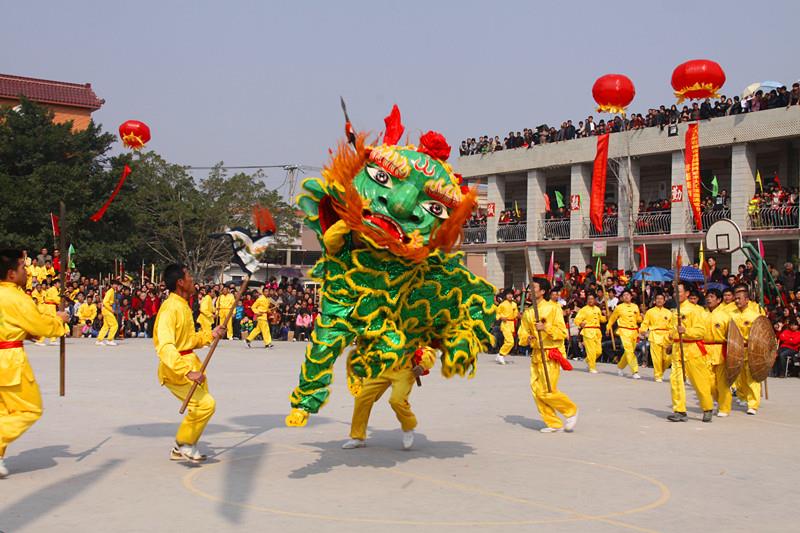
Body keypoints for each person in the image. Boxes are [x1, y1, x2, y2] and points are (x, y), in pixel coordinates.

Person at [0, 249, 70, 478]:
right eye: (22, 268)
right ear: (11, 274)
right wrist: (59, 323)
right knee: (30, 409)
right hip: (8, 362)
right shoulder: (15, 297)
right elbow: (39, 324)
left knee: (3, 411)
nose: (26, 272)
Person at [153, 264, 225, 463]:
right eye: (189, 277)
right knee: (205, 404)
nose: (193, 280)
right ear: (180, 283)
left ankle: (180, 448)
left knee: (199, 406)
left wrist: (211, 335)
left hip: (190, 363)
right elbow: (166, 346)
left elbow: (189, 339)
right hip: (175, 369)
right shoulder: (170, 308)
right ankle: (184, 443)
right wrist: (186, 372)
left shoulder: (183, 305)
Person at [341, 345, 435, 450]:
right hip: (381, 368)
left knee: (397, 400)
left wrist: (423, 365)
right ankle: (357, 437)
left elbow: (428, 349)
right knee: (362, 397)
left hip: (403, 370)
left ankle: (408, 427)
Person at [517, 277, 578, 433]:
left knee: (547, 390)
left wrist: (545, 328)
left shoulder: (553, 308)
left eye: (534, 287)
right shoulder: (528, 312)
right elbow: (522, 333)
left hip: (550, 353)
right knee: (536, 390)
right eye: (530, 287)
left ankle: (570, 411)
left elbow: (562, 332)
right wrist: (528, 338)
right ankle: (553, 423)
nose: (531, 290)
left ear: (543, 291)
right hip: (536, 354)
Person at [667, 282, 714, 423]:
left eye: (679, 291)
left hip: (692, 349)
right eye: (675, 291)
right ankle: (680, 410)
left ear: (687, 294)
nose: (676, 294)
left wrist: (686, 331)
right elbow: (671, 330)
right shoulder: (675, 311)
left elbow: (701, 331)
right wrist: (670, 341)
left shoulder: (696, 310)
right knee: (675, 381)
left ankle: (707, 408)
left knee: (699, 381)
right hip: (677, 350)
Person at [729, 284, 766, 415]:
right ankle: (742, 396)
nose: (737, 301)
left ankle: (753, 403)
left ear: (746, 299)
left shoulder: (754, 315)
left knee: (752, 378)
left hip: (751, 350)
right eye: (736, 298)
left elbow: (762, 334)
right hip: (735, 350)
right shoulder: (731, 315)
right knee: (739, 376)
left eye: (739, 298)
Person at [704, 289, 732, 416]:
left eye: (712, 296)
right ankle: (717, 400)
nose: (709, 299)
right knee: (708, 381)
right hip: (704, 350)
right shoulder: (702, 314)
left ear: (719, 300)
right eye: (707, 296)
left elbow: (733, 336)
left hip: (721, 349)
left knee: (722, 382)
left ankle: (724, 407)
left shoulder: (726, 316)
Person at [607, 290, 642, 379]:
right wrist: (608, 327)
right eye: (624, 295)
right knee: (629, 351)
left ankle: (620, 366)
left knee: (629, 352)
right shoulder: (619, 307)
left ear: (631, 297)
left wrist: (642, 317)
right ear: (622, 298)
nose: (626, 296)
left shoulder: (635, 306)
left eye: (628, 295)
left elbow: (638, 319)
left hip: (634, 331)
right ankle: (635, 371)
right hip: (624, 330)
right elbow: (612, 319)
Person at [639, 292, 672, 382]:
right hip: (654, 335)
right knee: (656, 358)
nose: (659, 300)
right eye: (658, 298)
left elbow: (672, 325)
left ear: (664, 301)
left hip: (666, 336)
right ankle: (658, 375)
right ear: (654, 300)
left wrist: (673, 333)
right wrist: (642, 330)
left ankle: (660, 372)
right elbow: (645, 323)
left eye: (661, 299)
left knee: (667, 358)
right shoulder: (650, 312)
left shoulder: (669, 312)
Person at [573, 293, 605, 373]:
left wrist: (607, 317)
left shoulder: (597, 309)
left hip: (597, 332)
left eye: (592, 299)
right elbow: (577, 319)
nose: (591, 300)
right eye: (589, 299)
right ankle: (592, 367)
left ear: (594, 300)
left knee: (598, 351)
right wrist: (580, 323)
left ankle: (588, 360)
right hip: (588, 331)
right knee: (591, 351)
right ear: (587, 300)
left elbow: (601, 319)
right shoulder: (583, 309)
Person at [495, 290, 518, 365]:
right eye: (508, 294)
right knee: (510, 341)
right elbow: (497, 314)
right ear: (505, 296)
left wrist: (518, 315)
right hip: (505, 323)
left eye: (511, 294)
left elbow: (515, 314)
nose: (510, 296)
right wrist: (501, 317)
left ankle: (499, 355)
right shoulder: (502, 304)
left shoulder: (514, 304)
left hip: (512, 324)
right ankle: (501, 354)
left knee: (507, 341)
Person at [96, 280, 120, 346]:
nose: (116, 286)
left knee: (106, 326)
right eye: (115, 284)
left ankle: (99, 339)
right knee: (114, 325)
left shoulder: (112, 291)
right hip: (107, 310)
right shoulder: (110, 291)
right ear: (111, 285)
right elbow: (105, 302)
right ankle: (110, 339)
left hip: (106, 310)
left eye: (116, 284)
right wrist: (112, 310)